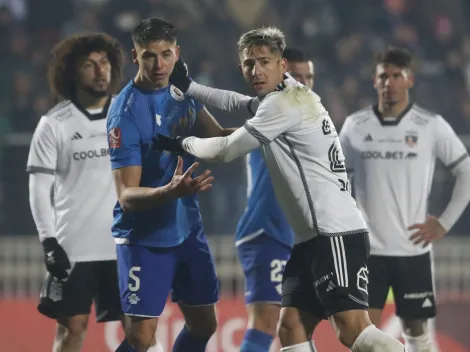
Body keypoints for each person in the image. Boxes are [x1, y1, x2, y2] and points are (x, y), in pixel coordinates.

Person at [153, 27, 407, 351]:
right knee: (290, 327)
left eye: (264, 62)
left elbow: (225, 150)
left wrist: (181, 142)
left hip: (335, 232)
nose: (256, 71)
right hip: (310, 240)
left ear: (281, 65)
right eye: (249, 64)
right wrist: (191, 87)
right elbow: (238, 102)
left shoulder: (281, 105)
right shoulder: (289, 94)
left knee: (352, 330)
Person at [107, 17, 236, 352]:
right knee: (139, 338)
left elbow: (219, 137)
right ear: (135, 57)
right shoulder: (125, 114)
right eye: (150, 55)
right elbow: (126, 196)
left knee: (205, 324)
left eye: (166, 54)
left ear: (177, 53)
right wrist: (170, 191)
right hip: (144, 237)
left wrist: (270, 128)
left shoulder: (182, 90)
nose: (159, 63)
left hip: (186, 228)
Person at [339, 46, 470, 352]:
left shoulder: (429, 125)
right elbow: (335, 182)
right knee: (363, 336)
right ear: (374, 80)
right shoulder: (355, 126)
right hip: (367, 252)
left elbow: (466, 170)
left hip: (412, 250)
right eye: (384, 76)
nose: (390, 82)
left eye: (397, 76)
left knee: (418, 333)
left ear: (409, 80)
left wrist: (445, 222)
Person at [27, 33, 125, 352]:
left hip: (124, 245)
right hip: (75, 248)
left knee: (141, 331)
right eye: (89, 64)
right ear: (73, 72)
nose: (100, 71)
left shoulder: (128, 114)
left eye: (104, 62)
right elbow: (39, 186)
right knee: (71, 331)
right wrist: (48, 240)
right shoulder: (55, 124)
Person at [234, 47, 314, 352]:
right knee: (267, 322)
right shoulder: (271, 112)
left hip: (296, 238)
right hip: (268, 232)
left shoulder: (311, 119)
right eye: (296, 76)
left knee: (297, 325)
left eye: (308, 77)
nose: (303, 84)